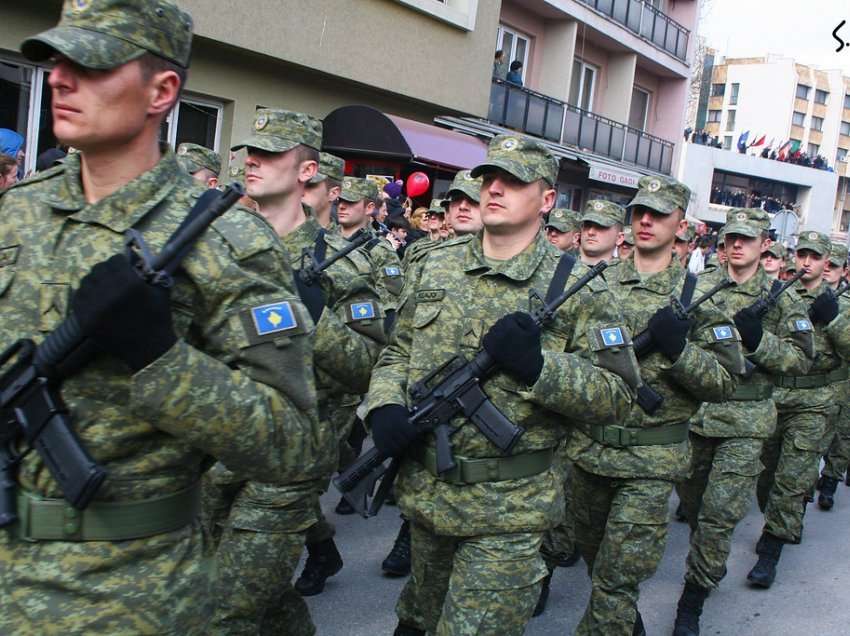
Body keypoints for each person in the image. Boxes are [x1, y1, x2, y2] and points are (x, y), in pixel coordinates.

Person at [0, 2, 321, 633]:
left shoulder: (228, 242)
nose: (61, 79)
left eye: (89, 64)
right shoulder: (17, 214)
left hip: (128, 591)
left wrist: (160, 358)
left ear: (162, 91)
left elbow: (296, 447)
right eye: (57, 61)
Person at [374, 134, 638, 636]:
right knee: (416, 619)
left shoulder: (577, 287)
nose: (494, 189)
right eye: (490, 178)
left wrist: (541, 369)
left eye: (513, 182)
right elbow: (397, 351)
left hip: (512, 509)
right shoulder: (436, 263)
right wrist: (384, 405)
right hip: (429, 495)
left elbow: (618, 396)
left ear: (546, 200)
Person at [206, 109, 384, 632]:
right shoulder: (214, 245)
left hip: (288, 457)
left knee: (227, 609)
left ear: (308, 171)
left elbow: (369, 367)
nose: (252, 163)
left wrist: (317, 319)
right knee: (262, 599)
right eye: (250, 154)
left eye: (269, 155)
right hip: (211, 447)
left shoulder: (342, 265)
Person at [568, 175, 743, 635]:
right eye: (640, 212)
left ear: (680, 225)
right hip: (587, 453)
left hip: (651, 461)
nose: (646, 220)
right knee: (594, 560)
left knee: (616, 580)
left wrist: (680, 352)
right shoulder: (594, 283)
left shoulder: (695, 296)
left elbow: (725, 381)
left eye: (659, 214)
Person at [672, 209, 813, 636]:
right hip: (697, 417)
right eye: (731, 238)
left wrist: (758, 339)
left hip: (747, 420)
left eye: (746, 240)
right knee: (694, 506)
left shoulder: (781, 297)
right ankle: (705, 557)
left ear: (763, 244)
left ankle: (692, 599)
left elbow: (800, 361)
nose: (736, 246)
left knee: (719, 514)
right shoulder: (699, 285)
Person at [382, 169, 484, 580]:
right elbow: (403, 333)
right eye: (455, 199)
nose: (460, 207)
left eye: (471, 200)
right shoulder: (424, 256)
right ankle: (409, 535)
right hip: (426, 385)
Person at [752, 231, 848, 589]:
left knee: (791, 479)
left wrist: (835, 320)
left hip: (814, 401)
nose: (806, 261)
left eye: (814, 256)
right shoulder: (777, 296)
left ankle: (770, 551)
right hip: (775, 396)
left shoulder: (840, 302)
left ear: (828, 263)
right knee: (765, 476)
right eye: (802, 253)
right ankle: (780, 521)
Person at [337, 177, 404, 324]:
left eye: (350, 202)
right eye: (340, 201)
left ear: (369, 208)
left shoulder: (381, 251)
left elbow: (390, 307)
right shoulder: (324, 238)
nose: (341, 206)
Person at [815, 242, 850, 511]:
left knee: (841, 437)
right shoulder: (804, 294)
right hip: (810, 382)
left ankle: (829, 482)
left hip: (842, 382)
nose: (827, 271)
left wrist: (835, 319)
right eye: (825, 264)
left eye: (833, 267)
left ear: (843, 271)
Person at [302, 151, 344, 230]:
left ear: (333, 193)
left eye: (308, 186)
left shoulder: (342, 240)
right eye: (297, 184)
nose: (299, 191)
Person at [578, 199, 625, 265]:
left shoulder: (625, 274)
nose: (590, 232)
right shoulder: (562, 264)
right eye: (587, 225)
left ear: (619, 238)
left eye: (600, 227)